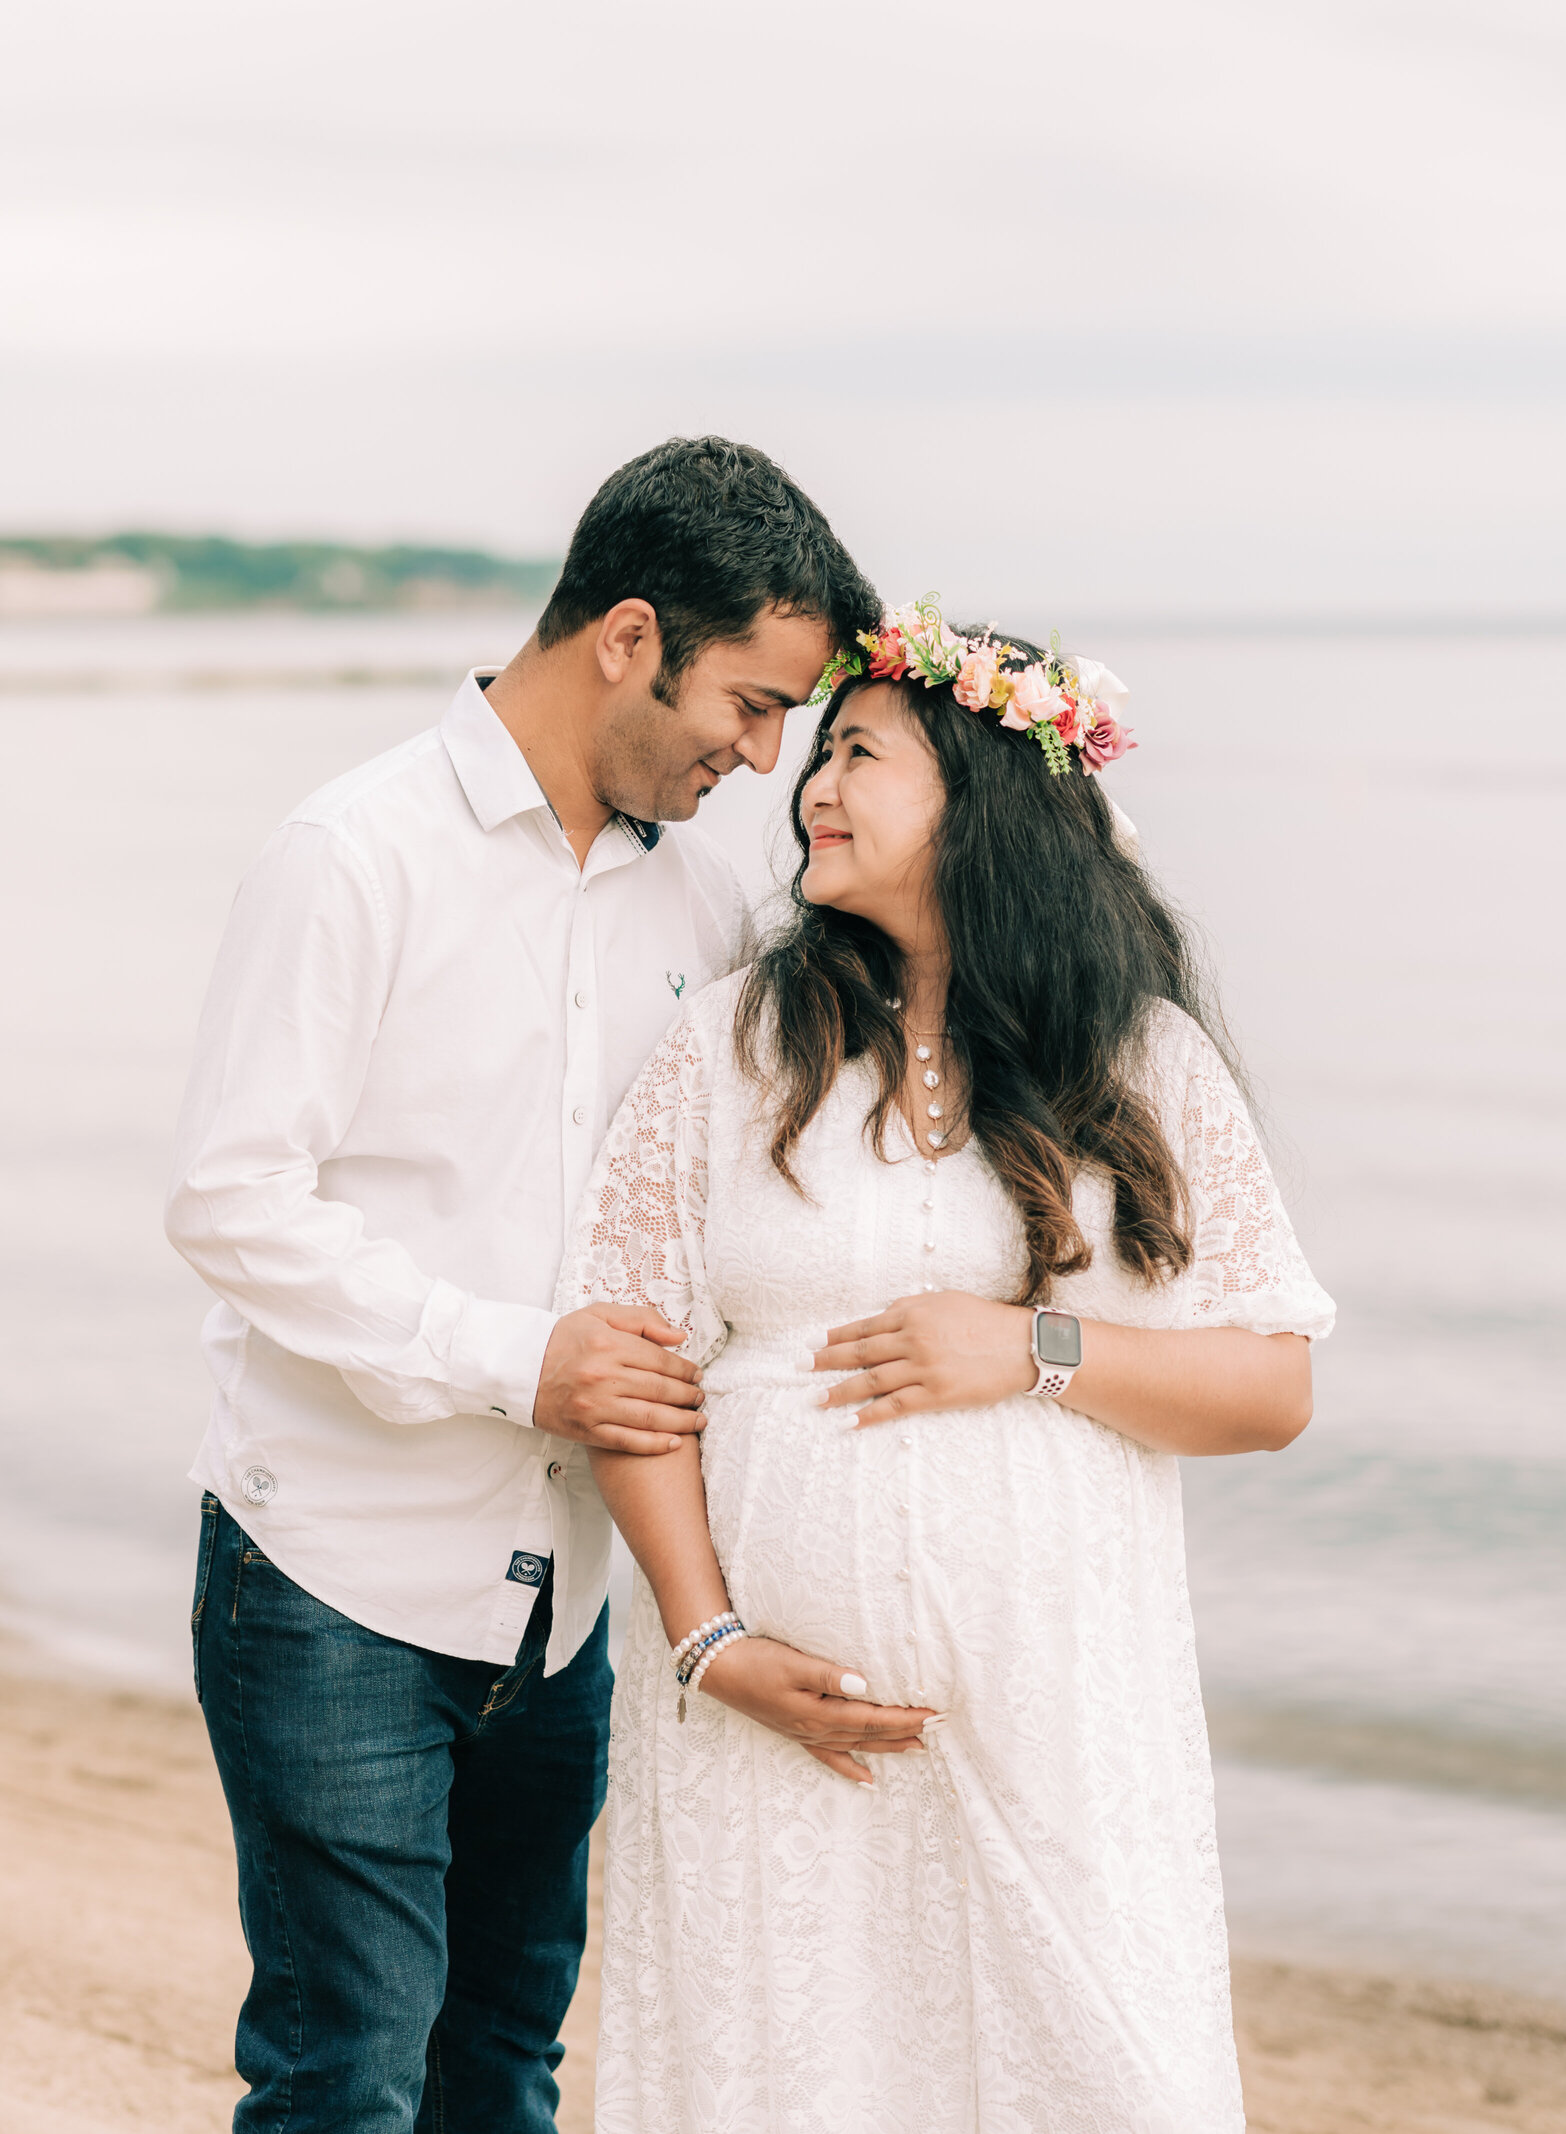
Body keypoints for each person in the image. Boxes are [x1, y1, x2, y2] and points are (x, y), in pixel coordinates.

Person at [164, 438, 919, 2133]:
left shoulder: (708, 893)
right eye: (750, 701)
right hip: (330, 1573)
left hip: (563, 1603)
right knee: (345, 2076)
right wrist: (522, 1360)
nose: (763, 756)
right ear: (630, 636)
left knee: (503, 2067)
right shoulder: (350, 854)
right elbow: (227, 1200)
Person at [556, 599, 1336, 2133]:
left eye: (862, 753)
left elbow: (1271, 1385)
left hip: (1055, 1721)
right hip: (769, 1734)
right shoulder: (731, 1047)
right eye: (818, 751)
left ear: (985, 812)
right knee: (782, 2074)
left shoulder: (1140, 1062)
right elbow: (630, 1364)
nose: (814, 786)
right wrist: (709, 1641)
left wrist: (1031, 1345)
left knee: (1102, 2077)